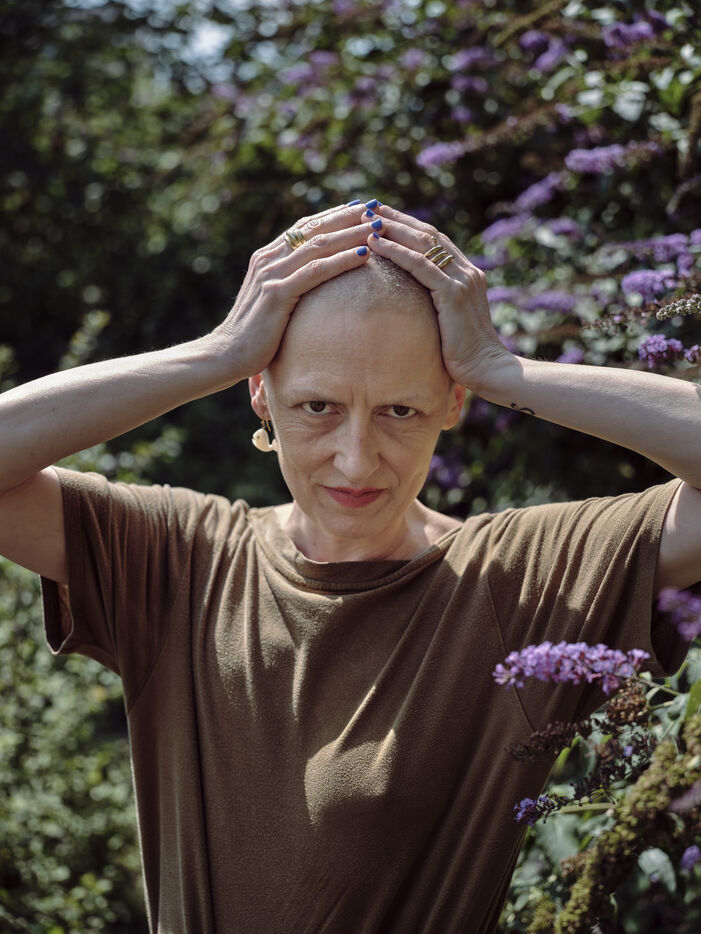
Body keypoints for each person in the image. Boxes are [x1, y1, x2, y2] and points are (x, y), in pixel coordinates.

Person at [0, 199, 699, 933]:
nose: (357, 460)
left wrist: (504, 368)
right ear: (261, 393)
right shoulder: (181, 560)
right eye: (317, 407)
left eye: (400, 411)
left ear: (454, 401)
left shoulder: (515, 581)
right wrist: (216, 353)